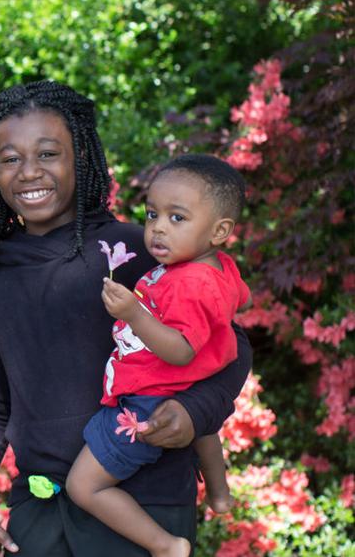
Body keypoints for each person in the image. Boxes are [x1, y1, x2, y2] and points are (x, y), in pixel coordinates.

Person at [0, 81, 252, 557]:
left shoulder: (139, 254)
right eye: (9, 159)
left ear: (82, 159)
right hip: (39, 514)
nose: (29, 172)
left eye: (49, 153)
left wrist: (196, 413)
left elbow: (229, 349)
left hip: (146, 508)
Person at [65, 154, 250, 557]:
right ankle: (219, 493)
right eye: (152, 215)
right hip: (182, 390)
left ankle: (165, 545)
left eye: (177, 218)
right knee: (204, 429)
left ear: (219, 231)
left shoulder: (189, 283)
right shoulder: (212, 268)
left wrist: (133, 312)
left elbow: (181, 351)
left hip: (146, 402)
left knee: (83, 486)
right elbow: (234, 306)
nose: (158, 229)